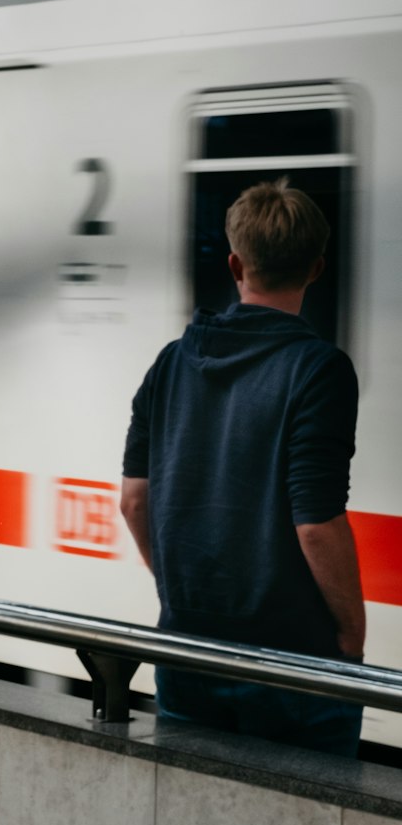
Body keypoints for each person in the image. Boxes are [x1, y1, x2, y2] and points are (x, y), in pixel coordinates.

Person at [120, 177, 366, 756]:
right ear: (316, 268)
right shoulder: (320, 371)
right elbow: (315, 523)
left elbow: (134, 500)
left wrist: (176, 593)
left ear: (235, 262)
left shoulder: (171, 361)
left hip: (187, 653)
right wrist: (351, 634)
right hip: (294, 667)